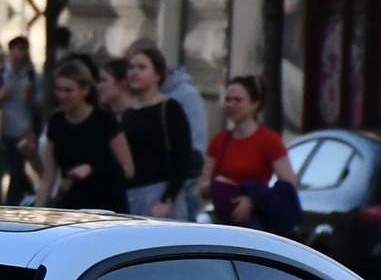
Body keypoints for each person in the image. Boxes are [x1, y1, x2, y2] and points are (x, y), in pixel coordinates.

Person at [199, 75, 299, 225]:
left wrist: (253, 199)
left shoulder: (269, 140)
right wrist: (217, 186)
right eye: (228, 99)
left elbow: (289, 184)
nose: (231, 105)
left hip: (253, 220)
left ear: (255, 104)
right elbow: (203, 187)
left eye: (238, 100)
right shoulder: (219, 140)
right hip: (222, 218)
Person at [41, 58, 133, 212]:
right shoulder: (56, 122)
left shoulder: (105, 121)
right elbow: (48, 175)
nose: (62, 96)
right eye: (58, 89)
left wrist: (93, 168)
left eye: (68, 90)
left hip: (105, 205)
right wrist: (38, 212)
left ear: (85, 90)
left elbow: (128, 170)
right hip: (71, 206)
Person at [120, 44, 198, 219]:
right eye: (131, 67)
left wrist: (167, 199)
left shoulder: (169, 108)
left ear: (157, 74)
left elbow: (182, 156)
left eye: (142, 67)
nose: (134, 72)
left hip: (159, 194)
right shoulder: (129, 113)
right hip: (132, 195)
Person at [0, 37, 42, 205]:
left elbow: (41, 106)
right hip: (1, 130)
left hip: (23, 132)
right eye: (16, 49)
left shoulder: (34, 77)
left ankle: (12, 204)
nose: (20, 54)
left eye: (23, 49)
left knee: (17, 173)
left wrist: (31, 97)